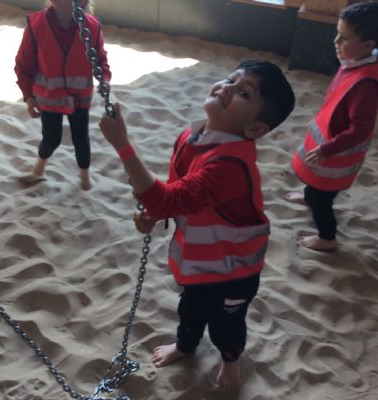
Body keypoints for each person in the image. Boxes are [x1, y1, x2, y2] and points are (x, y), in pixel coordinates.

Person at [99, 59, 295, 389]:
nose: (228, 88)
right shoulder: (192, 136)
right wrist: (156, 214)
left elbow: (166, 198)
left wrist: (123, 146)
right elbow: (175, 193)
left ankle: (231, 359)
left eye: (244, 93)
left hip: (234, 269)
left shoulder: (230, 165)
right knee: (190, 307)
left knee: (225, 323)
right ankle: (185, 344)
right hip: (199, 258)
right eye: (231, 79)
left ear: (254, 130)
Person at [284, 1, 378, 251]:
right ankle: (309, 197)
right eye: (337, 33)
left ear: (368, 45)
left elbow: (360, 130)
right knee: (315, 186)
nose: (336, 41)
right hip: (327, 146)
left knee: (321, 197)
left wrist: (328, 149)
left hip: (335, 156)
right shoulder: (356, 61)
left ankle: (327, 238)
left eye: (344, 38)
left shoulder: (365, 85)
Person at [15, 0, 111, 190]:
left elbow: (101, 61)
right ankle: (39, 169)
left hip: (79, 99)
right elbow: (23, 65)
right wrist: (28, 96)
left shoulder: (91, 27)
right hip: (49, 98)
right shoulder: (36, 25)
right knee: (51, 138)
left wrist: (105, 81)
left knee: (81, 140)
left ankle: (85, 176)